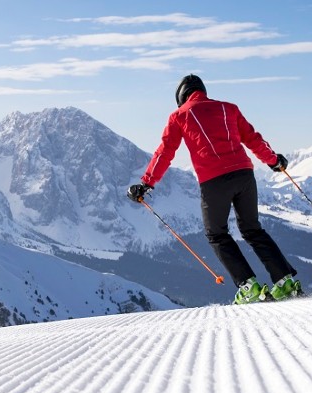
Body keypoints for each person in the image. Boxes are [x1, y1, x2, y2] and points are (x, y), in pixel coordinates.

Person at [127, 74, 302, 304]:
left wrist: (147, 183)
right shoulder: (228, 108)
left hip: (214, 181)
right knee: (252, 229)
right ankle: (285, 282)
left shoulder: (179, 116)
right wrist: (273, 161)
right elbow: (252, 138)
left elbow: (165, 152)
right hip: (245, 176)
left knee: (217, 234)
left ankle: (248, 286)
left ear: (181, 97)